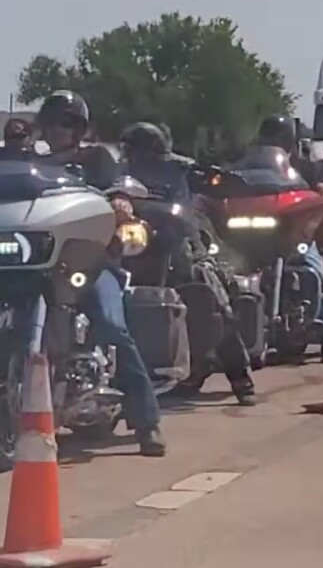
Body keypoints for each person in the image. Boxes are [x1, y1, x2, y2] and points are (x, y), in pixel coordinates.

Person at [35, 92, 166, 456]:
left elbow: (116, 184)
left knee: (112, 324)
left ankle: (147, 422)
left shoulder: (96, 158)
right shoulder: (33, 166)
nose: (58, 130)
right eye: (52, 123)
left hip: (90, 262)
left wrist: (120, 198)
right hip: (41, 265)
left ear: (79, 128)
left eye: (67, 123)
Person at [120, 123, 258, 405]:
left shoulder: (179, 168)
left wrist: (219, 180)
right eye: (130, 150)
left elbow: (213, 181)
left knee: (210, 288)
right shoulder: (120, 173)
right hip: (135, 240)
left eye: (137, 149)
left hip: (177, 238)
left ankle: (240, 376)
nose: (133, 156)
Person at [250, 115, 323, 353]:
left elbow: (322, 193)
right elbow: (232, 182)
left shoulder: (304, 168)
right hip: (260, 234)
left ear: (290, 141)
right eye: (271, 137)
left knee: (313, 266)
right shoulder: (251, 165)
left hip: (293, 233)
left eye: (279, 137)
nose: (275, 142)